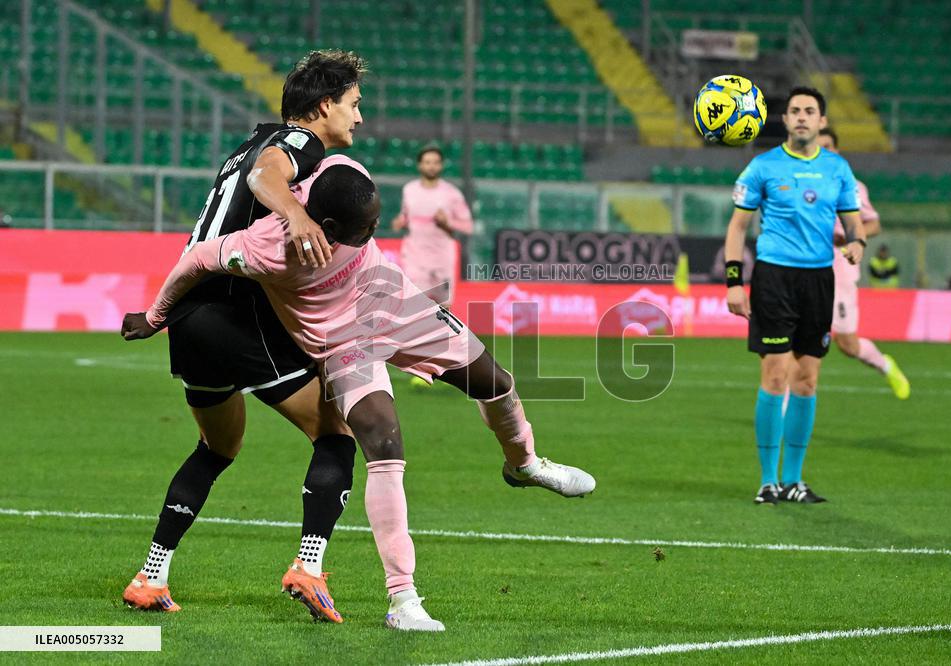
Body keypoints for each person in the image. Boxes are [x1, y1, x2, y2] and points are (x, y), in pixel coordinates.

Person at [123, 155, 597, 632]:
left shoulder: (343, 169)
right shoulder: (266, 247)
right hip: (342, 343)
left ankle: (525, 464)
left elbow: (282, 170)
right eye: (365, 228)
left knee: (495, 381)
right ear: (329, 226)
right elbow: (198, 259)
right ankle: (403, 600)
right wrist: (155, 315)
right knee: (383, 444)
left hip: (392, 299)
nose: (373, 232)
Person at [120, 50, 367, 623]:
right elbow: (268, 178)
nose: (360, 117)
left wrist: (156, 315)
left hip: (187, 316)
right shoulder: (300, 144)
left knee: (218, 448)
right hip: (231, 309)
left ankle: (150, 576)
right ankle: (309, 566)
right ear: (323, 106)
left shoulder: (247, 144)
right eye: (354, 105)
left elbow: (244, 186)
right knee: (339, 430)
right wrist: (298, 217)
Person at [724, 86, 868, 505]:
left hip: (819, 281)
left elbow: (854, 222)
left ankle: (793, 481)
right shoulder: (762, 167)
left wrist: (857, 243)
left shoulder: (838, 169)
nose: (802, 117)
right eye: (795, 111)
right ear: (784, 120)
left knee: (807, 381)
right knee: (774, 375)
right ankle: (767, 481)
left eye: (810, 111)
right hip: (774, 279)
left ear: (822, 121)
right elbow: (737, 227)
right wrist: (735, 281)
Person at [817, 128, 909, 400]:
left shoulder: (853, 187)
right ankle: (786, 411)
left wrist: (848, 236)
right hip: (806, 272)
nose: (824, 152)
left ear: (837, 150)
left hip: (840, 273)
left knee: (847, 344)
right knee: (799, 343)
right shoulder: (799, 184)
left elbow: (874, 223)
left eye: (829, 147)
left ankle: (885, 364)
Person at [390, 145, 473, 307]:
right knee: (414, 305)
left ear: (441, 165)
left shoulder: (451, 193)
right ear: (420, 165)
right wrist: (401, 221)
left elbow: (468, 226)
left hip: (442, 258)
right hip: (415, 257)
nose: (431, 166)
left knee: (444, 307)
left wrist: (447, 222)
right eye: (427, 162)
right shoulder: (409, 190)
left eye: (435, 162)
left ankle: (445, 333)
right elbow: (406, 215)